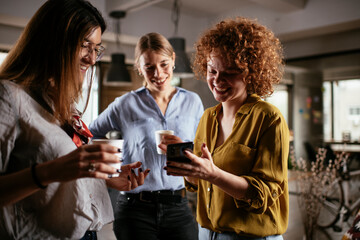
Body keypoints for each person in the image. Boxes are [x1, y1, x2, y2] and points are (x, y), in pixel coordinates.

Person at [0, 0, 148, 239]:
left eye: (97, 49)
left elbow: (65, 177)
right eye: (84, 45)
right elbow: (55, 169)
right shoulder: (8, 96)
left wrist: (106, 179)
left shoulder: (63, 105)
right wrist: (49, 172)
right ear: (53, 41)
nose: (91, 59)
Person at [163, 17, 290, 240]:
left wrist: (213, 174)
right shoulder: (208, 118)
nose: (217, 80)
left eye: (229, 72)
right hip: (206, 233)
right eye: (212, 71)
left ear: (251, 73)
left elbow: (263, 195)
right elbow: (200, 184)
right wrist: (190, 169)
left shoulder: (269, 118)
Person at [89, 32, 204, 240]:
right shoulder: (124, 104)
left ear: (174, 60)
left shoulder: (193, 102)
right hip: (134, 210)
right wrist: (110, 173)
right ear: (139, 67)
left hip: (179, 206)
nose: (158, 73)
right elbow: (89, 135)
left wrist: (185, 149)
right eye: (149, 66)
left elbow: (204, 149)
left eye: (164, 64)